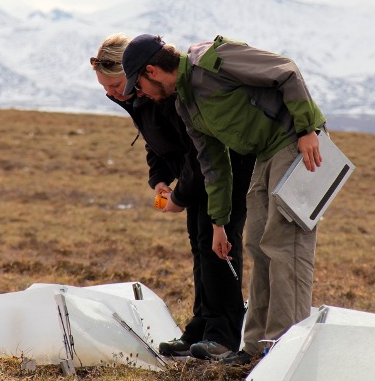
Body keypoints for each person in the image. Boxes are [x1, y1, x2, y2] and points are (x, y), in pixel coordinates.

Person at [121, 34, 326, 365]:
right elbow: (214, 166)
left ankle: (284, 351)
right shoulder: (185, 102)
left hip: (296, 143)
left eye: (139, 84)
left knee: (284, 247)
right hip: (265, 154)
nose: (140, 94)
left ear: (152, 70)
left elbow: (286, 70)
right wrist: (219, 224)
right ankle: (257, 349)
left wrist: (306, 130)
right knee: (259, 245)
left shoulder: (213, 59)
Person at [91, 33, 255, 360]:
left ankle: (223, 335)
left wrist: (179, 196)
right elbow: (155, 141)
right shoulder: (136, 97)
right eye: (106, 88)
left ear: (141, 72)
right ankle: (202, 326)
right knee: (199, 243)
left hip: (223, 169)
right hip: (197, 174)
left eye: (117, 85)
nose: (113, 94)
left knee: (217, 246)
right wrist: (160, 179)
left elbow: (200, 153)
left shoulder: (164, 94)